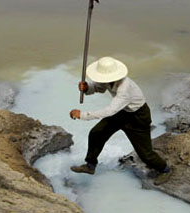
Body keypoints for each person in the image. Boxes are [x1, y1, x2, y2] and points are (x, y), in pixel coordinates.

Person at [69, 56, 171, 185]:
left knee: (145, 153)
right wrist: (87, 88)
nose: (102, 80)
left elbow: (110, 111)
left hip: (137, 117)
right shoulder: (109, 80)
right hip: (122, 112)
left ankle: (165, 170)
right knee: (97, 132)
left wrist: (83, 115)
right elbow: (99, 87)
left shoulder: (124, 88)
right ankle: (90, 165)